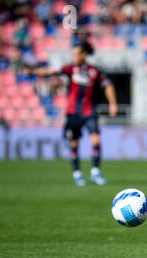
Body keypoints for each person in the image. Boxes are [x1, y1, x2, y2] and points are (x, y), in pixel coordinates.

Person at [25, 41, 118, 186]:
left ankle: (95, 172)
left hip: (89, 112)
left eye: (76, 53)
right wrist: (33, 72)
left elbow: (108, 86)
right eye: (73, 53)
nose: (73, 56)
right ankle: (77, 174)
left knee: (96, 140)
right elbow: (51, 71)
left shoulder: (94, 71)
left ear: (84, 55)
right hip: (73, 113)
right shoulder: (70, 69)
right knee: (74, 144)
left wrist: (113, 104)